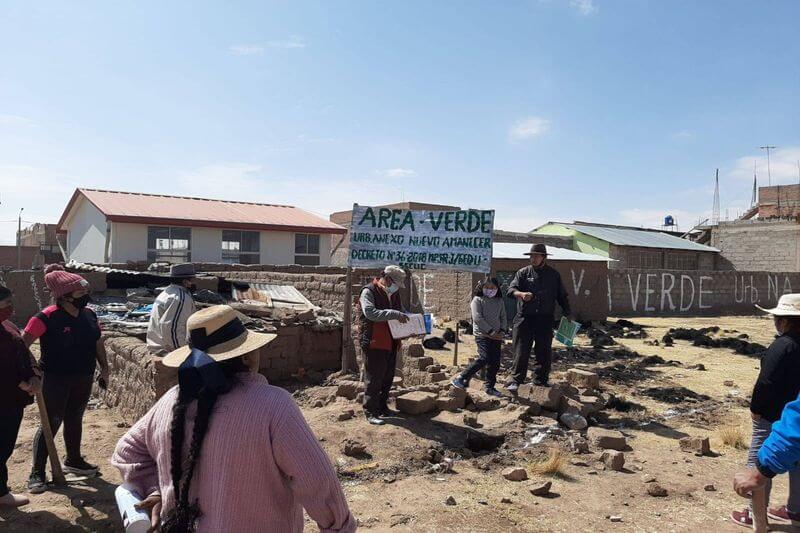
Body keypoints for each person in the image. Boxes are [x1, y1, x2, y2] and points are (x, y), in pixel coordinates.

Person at [112, 305, 356, 532]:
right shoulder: (274, 406)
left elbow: (126, 451)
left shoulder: (173, 400)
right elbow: (318, 483)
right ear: (247, 357)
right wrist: (339, 526)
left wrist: (155, 490)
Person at [22, 265, 109, 494]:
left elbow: (97, 342)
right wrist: (32, 368)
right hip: (55, 378)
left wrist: (105, 368)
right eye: (81, 294)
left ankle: (73, 460)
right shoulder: (46, 317)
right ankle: (37, 472)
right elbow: (21, 345)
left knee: (75, 417)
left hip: (84, 375)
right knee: (51, 422)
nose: (85, 298)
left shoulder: (89, 315)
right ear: (64, 297)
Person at [731, 294, 800, 528]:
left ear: (786, 321)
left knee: (759, 461)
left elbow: (766, 382)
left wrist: (756, 408)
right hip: (794, 417)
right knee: (798, 463)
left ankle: (753, 514)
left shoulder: (782, 346)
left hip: (772, 414)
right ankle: (796, 510)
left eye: (777, 318)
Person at [505, 244, 571, 391]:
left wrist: (568, 313)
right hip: (524, 319)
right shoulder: (523, 273)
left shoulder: (554, 275)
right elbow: (510, 290)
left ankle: (540, 381)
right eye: (531, 256)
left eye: (536, 256)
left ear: (543, 257)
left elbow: (562, 296)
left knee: (544, 351)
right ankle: (516, 380)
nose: (532, 258)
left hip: (545, 319)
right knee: (521, 351)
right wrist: (520, 294)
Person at [0, 285, 40, 507]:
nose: (11, 309)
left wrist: (34, 375)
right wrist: (21, 383)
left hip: (12, 400)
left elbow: (25, 352)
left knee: (5, 444)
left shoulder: (8, 326)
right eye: (6, 305)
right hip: (4, 398)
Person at [357, 265, 409, 426]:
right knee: (374, 378)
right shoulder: (369, 291)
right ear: (387, 279)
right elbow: (370, 313)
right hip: (374, 340)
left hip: (391, 340)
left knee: (387, 377)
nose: (396, 288)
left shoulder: (394, 293)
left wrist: (412, 320)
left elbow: (400, 310)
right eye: (395, 283)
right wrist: (394, 314)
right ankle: (370, 411)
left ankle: (382, 407)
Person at [451, 277, 507, 397]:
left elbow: (503, 317)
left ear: (497, 289)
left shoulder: (499, 301)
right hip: (483, 335)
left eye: (493, 288)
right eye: (487, 287)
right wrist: (492, 332)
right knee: (484, 357)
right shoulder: (477, 300)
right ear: (482, 287)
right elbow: (477, 318)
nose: (490, 290)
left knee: (495, 362)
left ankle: (490, 387)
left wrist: (502, 331)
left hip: (497, 336)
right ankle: (461, 378)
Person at [147, 263, 198, 355]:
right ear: (186, 282)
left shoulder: (168, 292)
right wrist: (184, 353)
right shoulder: (180, 298)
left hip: (159, 347)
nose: (195, 283)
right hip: (167, 351)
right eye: (193, 280)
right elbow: (171, 329)